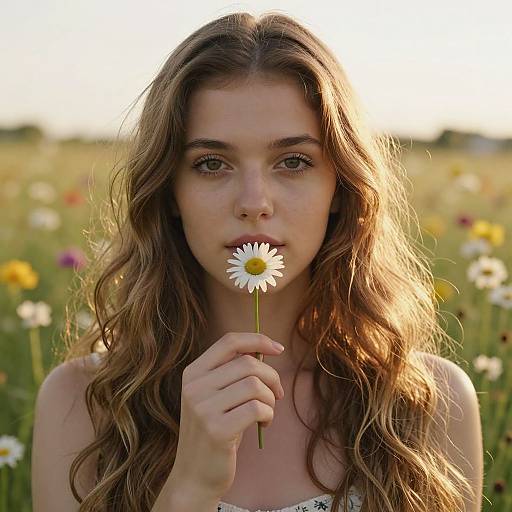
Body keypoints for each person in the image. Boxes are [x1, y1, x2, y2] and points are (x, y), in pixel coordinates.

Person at [31, 10, 483, 512]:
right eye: (211, 164)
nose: (253, 200)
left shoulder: (428, 404)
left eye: (293, 161)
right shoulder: (84, 404)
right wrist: (188, 491)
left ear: (341, 186)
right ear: (170, 192)